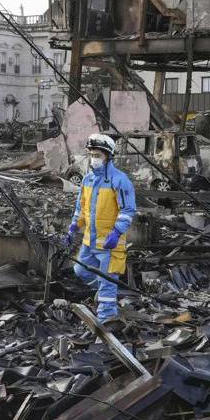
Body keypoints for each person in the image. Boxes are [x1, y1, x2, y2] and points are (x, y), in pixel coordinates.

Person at [65, 134, 136, 323]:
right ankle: (107, 289)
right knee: (80, 271)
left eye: (97, 155)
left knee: (106, 286)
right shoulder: (87, 180)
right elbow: (81, 209)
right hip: (90, 241)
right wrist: (73, 228)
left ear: (108, 156)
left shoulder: (120, 181)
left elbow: (128, 210)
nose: (93, 159)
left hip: (110, 244)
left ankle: (107, 321)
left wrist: (117, 232)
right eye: (91, 154)